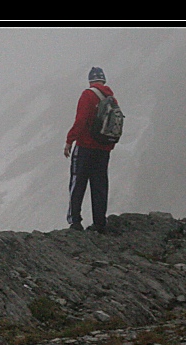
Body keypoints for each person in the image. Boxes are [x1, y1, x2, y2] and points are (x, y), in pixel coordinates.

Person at [64, 67, 116, 233]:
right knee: (99, 185)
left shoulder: (88, 95)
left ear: (90, 80)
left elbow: (81, 120)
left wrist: (69, 141)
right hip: (103, 149)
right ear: (104, 80)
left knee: (78, 183)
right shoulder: (111, 98)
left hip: (85, 147)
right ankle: (100, 223)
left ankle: (75, 222)